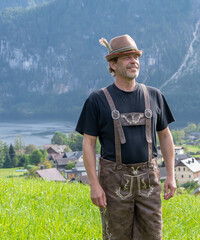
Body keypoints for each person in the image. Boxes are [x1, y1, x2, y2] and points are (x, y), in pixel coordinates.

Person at [75, 34, 177, 240]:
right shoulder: (97, 100)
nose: (134, 61)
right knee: (116, 236)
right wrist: (94, 185)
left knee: (153, 236)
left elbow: (165, 137)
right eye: (127, 57)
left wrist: (172, 175)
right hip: (114, 183)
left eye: (136, 57)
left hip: (150, 181)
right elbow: (88, 143)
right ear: (113, 64)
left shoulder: (154, 95)